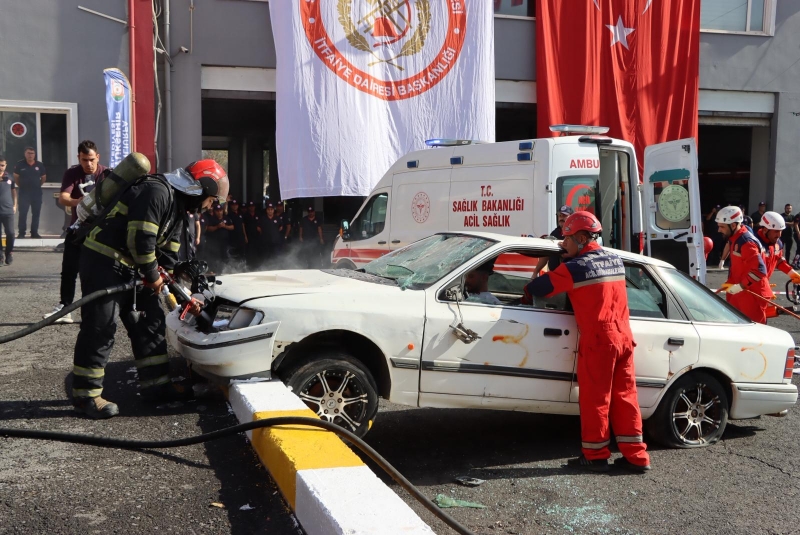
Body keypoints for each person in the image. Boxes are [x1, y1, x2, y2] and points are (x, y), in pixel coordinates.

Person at [71, 159, 228, 419]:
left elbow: (168, 256)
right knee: (101, 326)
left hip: (135, 266)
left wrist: (182, 293)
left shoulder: (178, 208)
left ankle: (157, 386)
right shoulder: (156, 191)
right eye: (211, 200)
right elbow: (140, 239)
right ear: (202, 188)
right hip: (104, 261)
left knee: (151, 321)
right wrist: (154, 276)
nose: (210, 206)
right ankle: (85, 395)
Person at [523, 211, 651, 473]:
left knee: (595, 399)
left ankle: (595, 455)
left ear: (582, 238)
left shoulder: (576, 268)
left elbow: (537, 289)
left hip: (599, 340)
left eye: (567, 238)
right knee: (626, 397)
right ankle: (637, 457)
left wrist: (555, 265)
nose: (563, 243)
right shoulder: (615, 260)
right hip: (624, 337)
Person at [44, 140, 106, 323]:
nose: (89, 164)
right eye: (84, 160)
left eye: (92, 159)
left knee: (94, 273)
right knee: (69, 271)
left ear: (98, 157)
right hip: (77, 230)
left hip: (100, 232)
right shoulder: (72, 173)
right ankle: (65, 308)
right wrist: (79, 202)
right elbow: (63, 197)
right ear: (79, 158)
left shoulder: (106, 174)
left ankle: (94, 312)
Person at [716, 206, 770, 324]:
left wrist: (740, 286)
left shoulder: (746, 242)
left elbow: (759, 270)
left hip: (752, 295)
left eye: (722, 227)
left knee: (753, 331)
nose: (719, 230)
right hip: (741, 293)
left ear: (733, 225)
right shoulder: (736, 238)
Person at [755, 211, 800, 284]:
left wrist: (792, 273)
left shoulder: (777, 243)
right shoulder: (753, 244)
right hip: (748, 287)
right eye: (776, 231)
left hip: (762, 284)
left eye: (781, 231)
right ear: (765, 230)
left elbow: (778, 260)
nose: (779, 235)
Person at [13, 147, 46, 239]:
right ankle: (21, 233)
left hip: (36, 193)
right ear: (25, 154)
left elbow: (43, 178)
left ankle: (34, 232)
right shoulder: (20, 165)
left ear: (34, 155)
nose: (30, 155)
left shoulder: (39, 165)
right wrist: (21, 186)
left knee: (36, 213)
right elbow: (16, 177)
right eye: (28, 153)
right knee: (23, 213)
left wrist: (37, 185)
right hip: (24, 193)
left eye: (32, 153)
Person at [531, 205, 573, 278]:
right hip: (554, 276)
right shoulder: (554, 233)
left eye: (564, 216)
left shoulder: (574, 234)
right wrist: (535, 272)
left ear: (571, 217)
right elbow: (546, 255)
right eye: (560, 215)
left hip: (569, 276)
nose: (561, 218)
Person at [204, 203, 233, 273]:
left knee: (225, 255)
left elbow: (232, 227)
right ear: (214, 211)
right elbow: (208, 228)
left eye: (220, 210)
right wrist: (217, 227)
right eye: (217, 211)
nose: (219, 212)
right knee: (216, 256)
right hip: (215, 242)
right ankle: (215, 270)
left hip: (225, 241)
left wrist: (225, 226)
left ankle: (226, 270)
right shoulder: (211, 219)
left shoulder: (226, 218)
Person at [0, 155, 16, 265]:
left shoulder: (9, 177)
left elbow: (14, 192)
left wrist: (15, 205)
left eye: (2, 165)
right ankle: (0, 256)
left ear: (6, 165)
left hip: (8, 210)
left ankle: (9, 252)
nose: (0, 167)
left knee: (10, 233)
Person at [261, 202, 284, 268]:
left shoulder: (277, 218)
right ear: (266, 210)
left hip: (275, 242)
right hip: (266, 242)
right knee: (266, 257)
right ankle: (266, 269)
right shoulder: (263, 218)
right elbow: (259, 228)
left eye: (271, 209)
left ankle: (276, 268)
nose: (270, 211)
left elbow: (281, 227)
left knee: (276, 257)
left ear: (273, 210)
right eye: (269, 209)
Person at [243, 200, 262, 269]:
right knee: (250, 251)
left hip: (257, 236)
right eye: (250, 206)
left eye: (253, 206)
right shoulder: (245, 215)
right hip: (249, 236)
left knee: (257, 251)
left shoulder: (258, 214)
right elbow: (243, 226)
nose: (251, 208)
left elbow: (262, 224)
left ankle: (257, 266)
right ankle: (250, 266)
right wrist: (245, 236)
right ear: (248, 207)